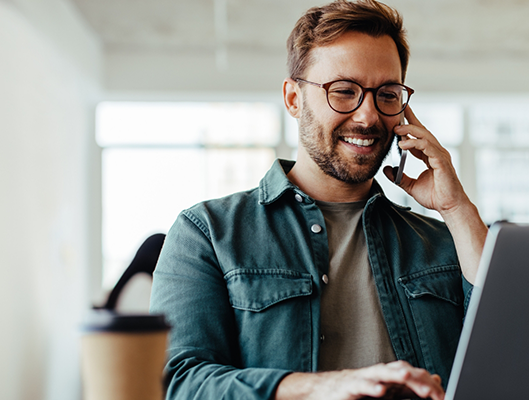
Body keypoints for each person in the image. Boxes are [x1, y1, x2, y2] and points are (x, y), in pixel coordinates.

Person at [149, 1, 489, 399]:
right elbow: (179, 383)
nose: (368, 117)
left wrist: (457, 209)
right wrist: (325, 386)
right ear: (293, 99)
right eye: (344, 91)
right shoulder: (207, 233)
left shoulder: (444, 243)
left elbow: (514, 351)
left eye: (387, 94)